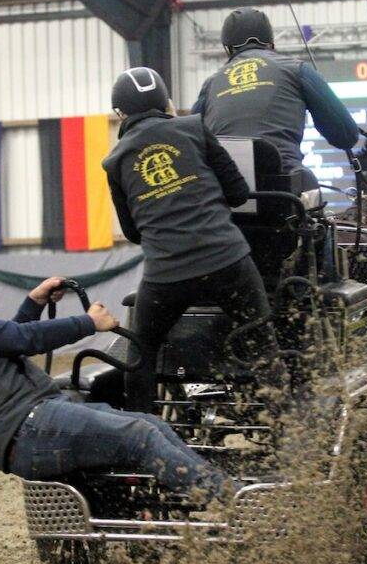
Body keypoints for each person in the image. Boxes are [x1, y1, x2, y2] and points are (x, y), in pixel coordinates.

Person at [0, 254, 230, 501]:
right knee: (140, 434)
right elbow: (20, 339)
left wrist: (33, 303)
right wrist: (88, 323)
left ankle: (217, 491)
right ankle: (231, 502)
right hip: (30, 424)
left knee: (149, 423)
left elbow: (5, 343)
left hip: (21, 439)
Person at [104, 67, 284, 411]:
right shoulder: (193, 128)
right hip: (227, 261)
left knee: (141, 353)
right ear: (166, 103)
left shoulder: (115, 161)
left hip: (166, 276)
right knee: (263, 344)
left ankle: (144, 429)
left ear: (120, 114)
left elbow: (132, 233)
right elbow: (238, 193)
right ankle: (284, 424)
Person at [191, 7, 360, 181]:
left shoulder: (210, 84)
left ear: (228, 49)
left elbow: (190, 145)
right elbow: (346, 135)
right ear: (271, 43)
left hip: (224, 187)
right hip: (283, 185)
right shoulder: (297, 69)